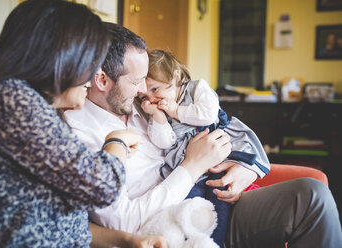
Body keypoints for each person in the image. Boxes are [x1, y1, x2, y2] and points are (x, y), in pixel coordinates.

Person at [65, 22, 342, 248]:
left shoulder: (140, 106)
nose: (143, 91)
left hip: (212, 194)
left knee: (312, 195)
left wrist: (245, 169)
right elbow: (121, 224)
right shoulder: (80, 132)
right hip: (174, 226)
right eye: (137, 82)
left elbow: (215, 127)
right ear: (102, 80)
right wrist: (193, 165)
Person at [0, 0, 167, 247]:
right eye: (91, 59)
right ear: (63, 57)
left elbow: (68, 223)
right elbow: (103, 186)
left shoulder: (29, 105)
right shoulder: (8, 101)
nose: (95, 73)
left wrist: (127, 240)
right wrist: (117, 141)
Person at [138, 48, 269, 245]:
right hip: (188, 166)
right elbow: (165, 142)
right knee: (190, 206)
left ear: (176, 77)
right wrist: (158, 116)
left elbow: (207, 114)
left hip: (217, 149)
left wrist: (175, 110)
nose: (151, 98)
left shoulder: (197, 88)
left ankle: (217, 242)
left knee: (220, 197)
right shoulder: (158, 109)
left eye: (155, 89)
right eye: (144, 96)